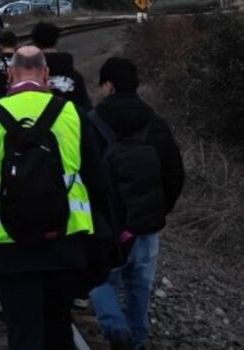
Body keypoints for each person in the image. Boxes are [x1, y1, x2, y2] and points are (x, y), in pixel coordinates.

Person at [0, 45, 111, 350]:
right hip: (64, 242)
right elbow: (97, 183)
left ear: (10, 74)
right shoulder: (74, 115)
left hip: (7, 246)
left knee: (22, 331)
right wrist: (100, 240)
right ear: (46, 75)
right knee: (58, 328)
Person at [87, 57, 185, 350]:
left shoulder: (91, 123)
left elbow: (83, 173)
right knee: (139, 287)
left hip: (106, 225)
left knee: (99, 279)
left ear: (108, 85)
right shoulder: (155, 123)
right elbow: (175, 174)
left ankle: (115, 327)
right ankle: (138, 339)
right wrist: (158, 209)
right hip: (145, 226)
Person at [31, 21, 92, 109]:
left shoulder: (26, 78)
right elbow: (86, 111)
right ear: (56, 40)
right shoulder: (76, 77)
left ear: (35, 42)